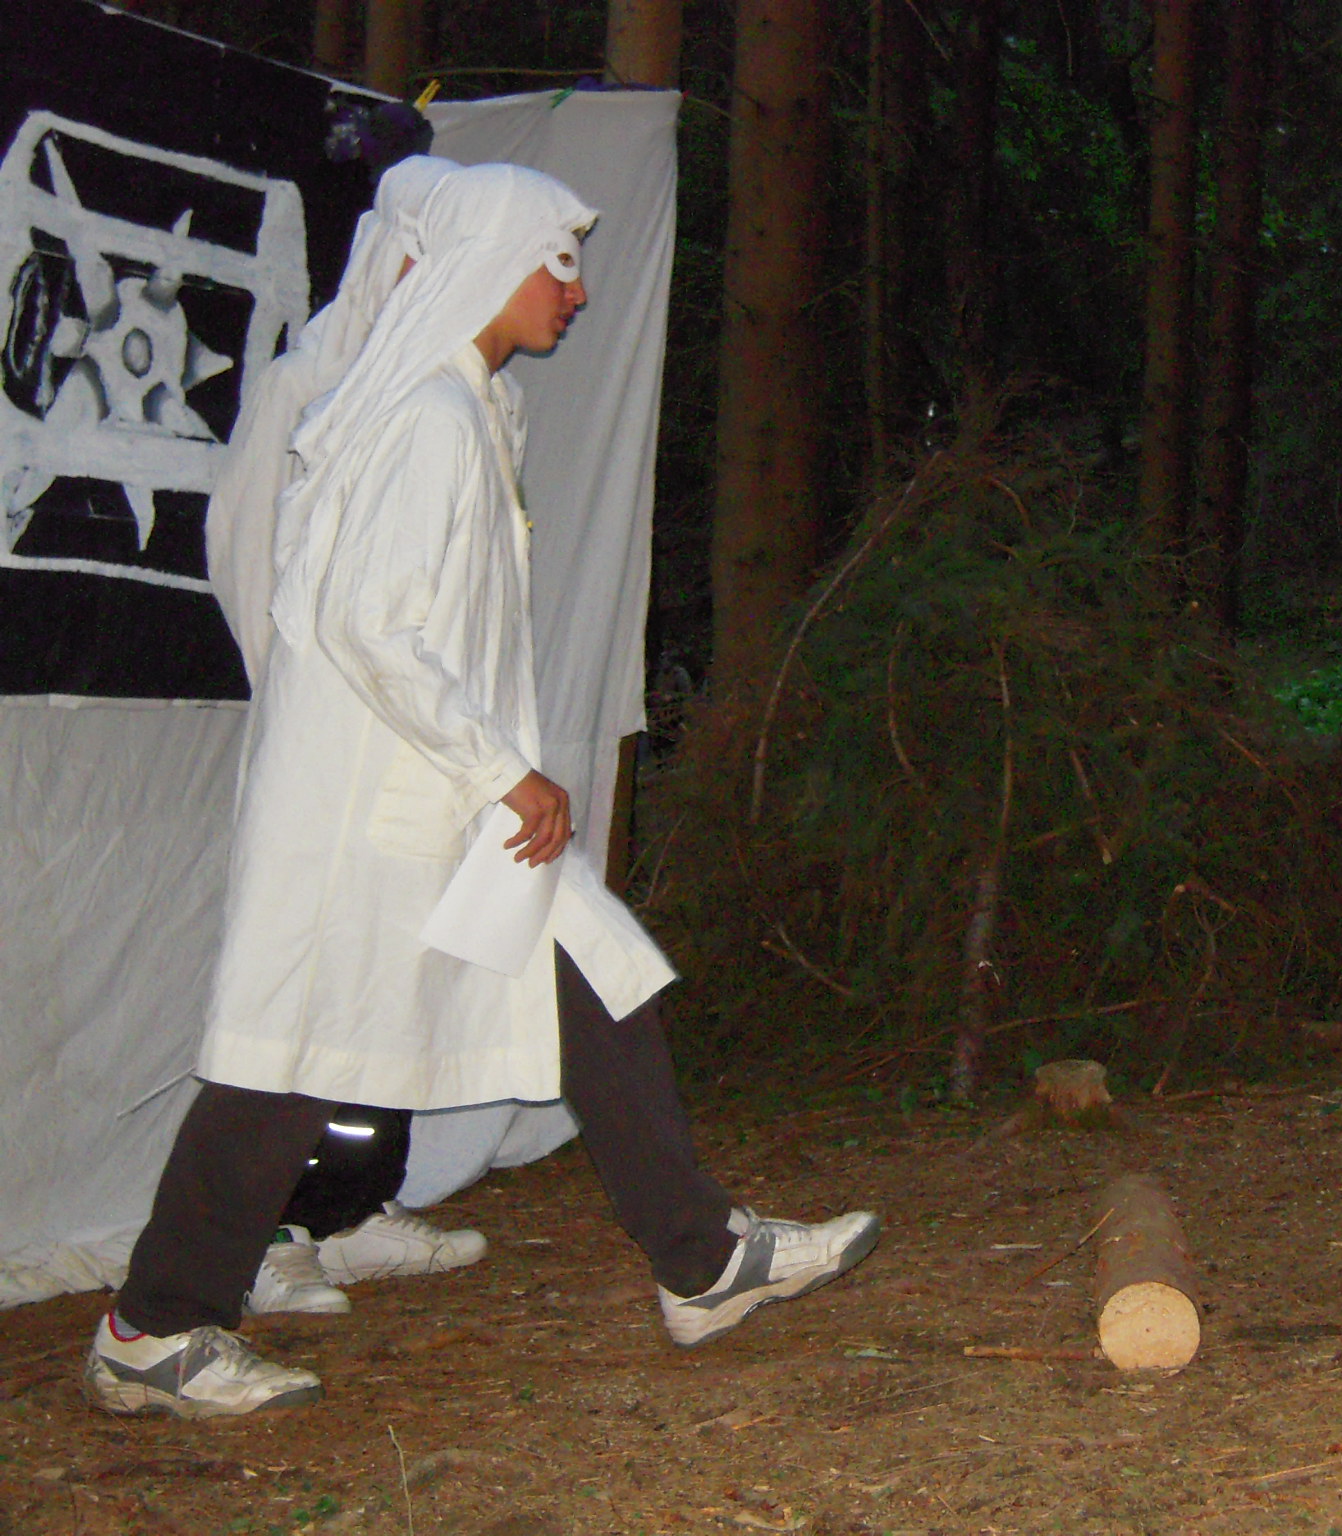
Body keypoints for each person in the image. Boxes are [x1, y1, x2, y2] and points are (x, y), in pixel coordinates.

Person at [86, 163, 880, 1419]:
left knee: (593, 974)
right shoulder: (426, 418)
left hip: (433, 804)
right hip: (371, 812)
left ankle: (702, 1258)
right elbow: (367, 625)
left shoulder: (457, 406)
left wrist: (486, 777)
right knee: (286, 1061)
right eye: (555, 262)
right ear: (483, 265)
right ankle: (155, 1326)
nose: (576, 289)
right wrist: (499, 770)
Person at [209, 153, 488, 1321]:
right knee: (304, 992)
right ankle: (266, 1232)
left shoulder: (454, 398)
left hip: (416, 755)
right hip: (328, 748)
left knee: (391, 981)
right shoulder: (303, 387)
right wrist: (305, 709)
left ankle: (353, 1208)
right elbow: (244, 553)